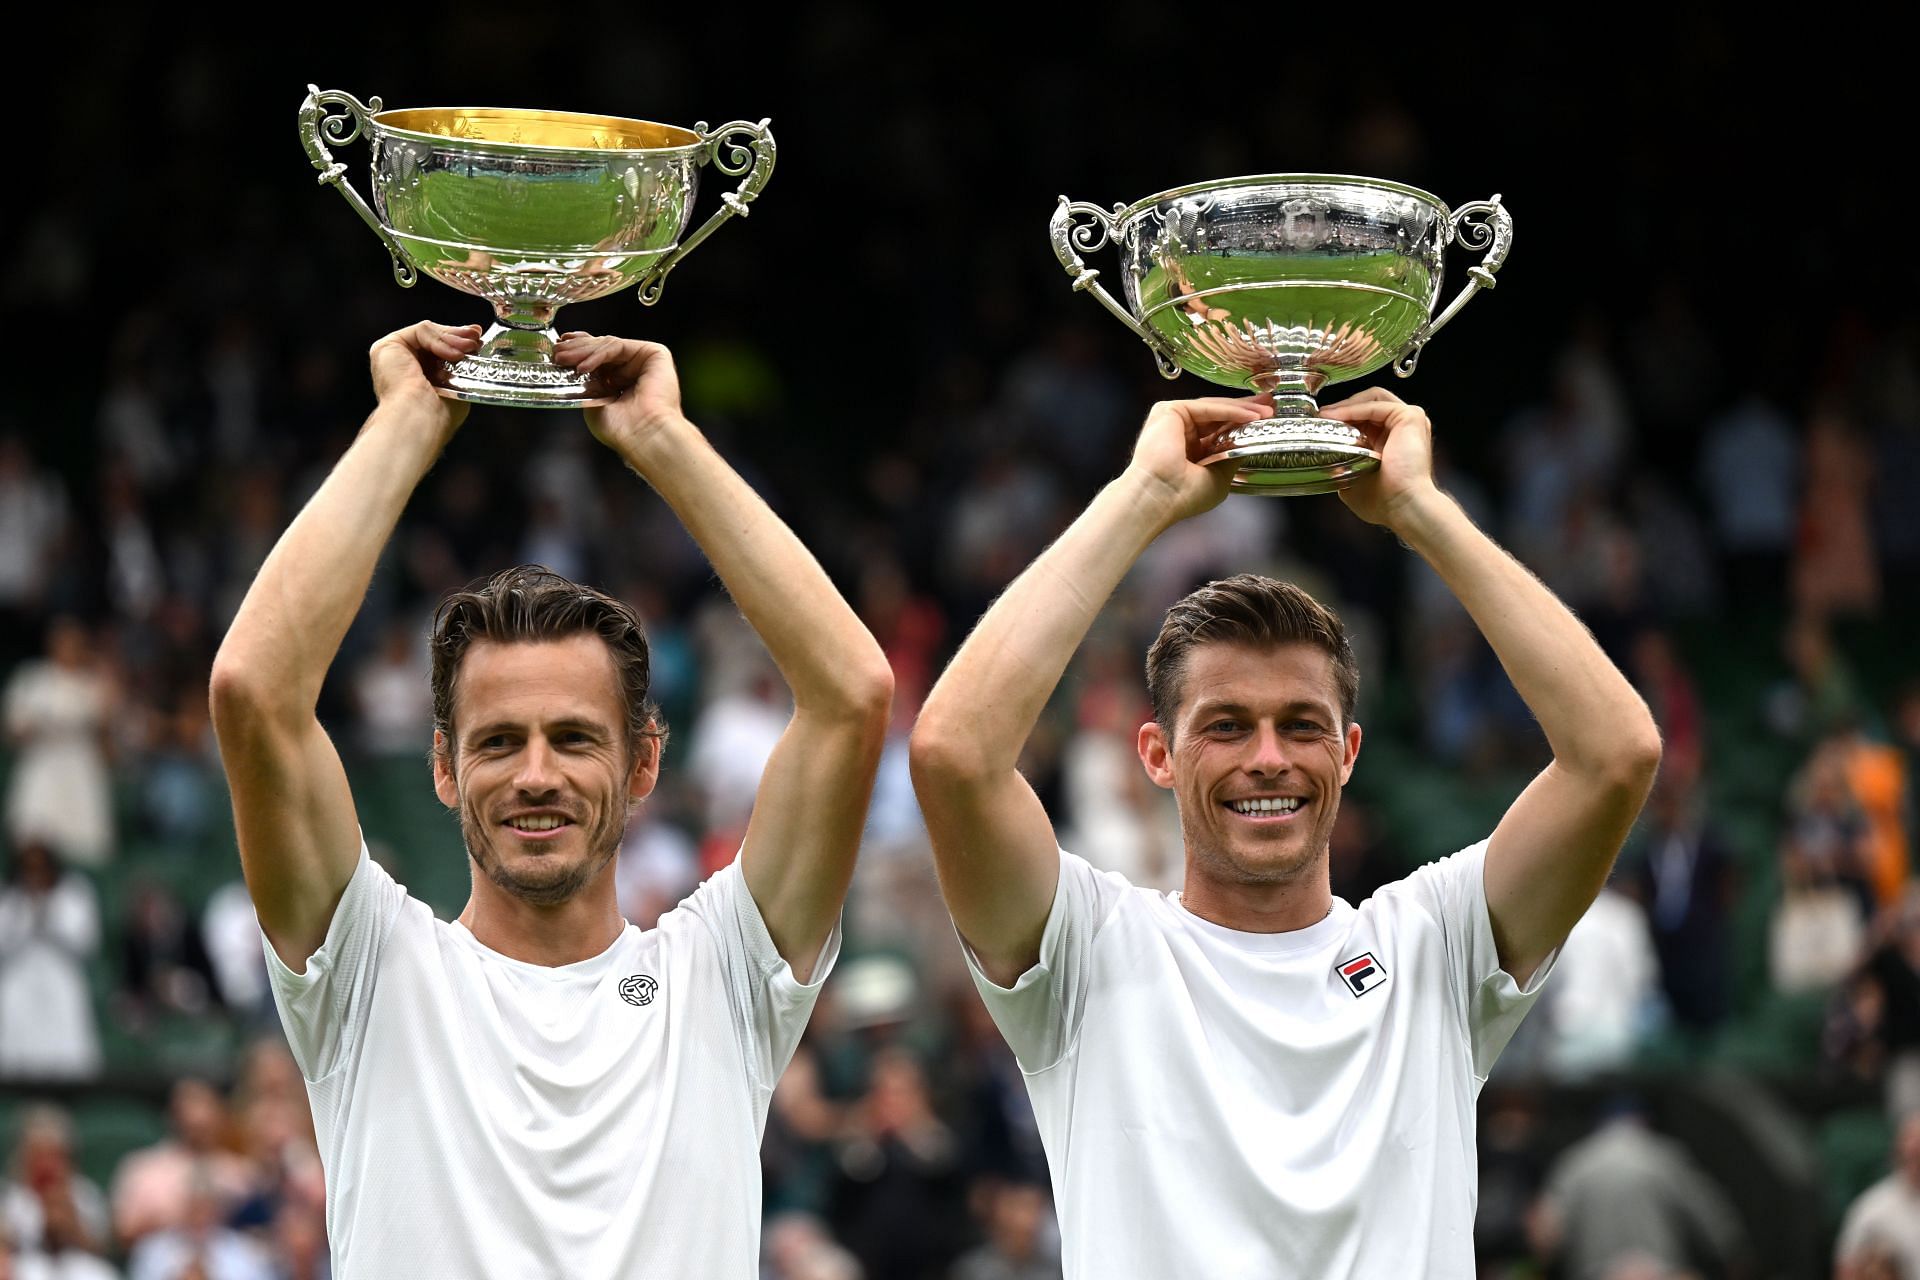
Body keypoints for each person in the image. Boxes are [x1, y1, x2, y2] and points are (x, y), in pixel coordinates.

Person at [909, 388, 1663, 1278]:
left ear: (1348, 753)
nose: (1268, 758)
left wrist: (1422, 514)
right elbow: (956, 756)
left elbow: (1616, 754)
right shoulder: (1088, 949)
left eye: (1301, 726)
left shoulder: (1435, 943)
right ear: (1156, 754)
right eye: (1226, 725)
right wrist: (1143, 496)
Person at [208, 322, 892, 1277]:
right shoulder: (368, 970)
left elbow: (851, 695)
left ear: (645, 763)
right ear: (444, 768)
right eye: (498, 743)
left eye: (575, 738)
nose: (536, 774)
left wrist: (663, 439)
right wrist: (407, 423)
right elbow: (255, 694)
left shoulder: (723, 976)